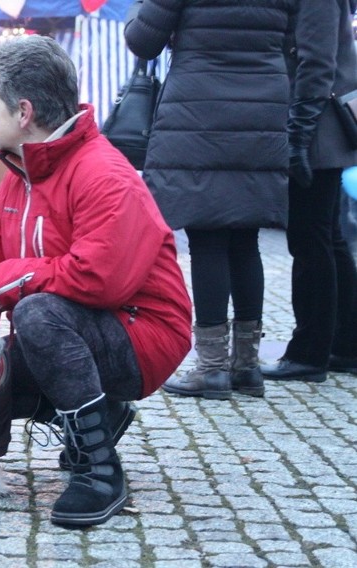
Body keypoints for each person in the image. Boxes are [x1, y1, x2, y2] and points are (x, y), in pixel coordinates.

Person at [0, 35, 191, 528]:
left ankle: (101, 472)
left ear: (23, 113)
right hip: (85, 328)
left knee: (36, 314)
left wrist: (18, 277)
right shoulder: (18, 177)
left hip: (145, 334)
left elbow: (98, 280)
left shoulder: (104, 173)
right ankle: (101, 415)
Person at [124, 0, 298, 400]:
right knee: (245, 238)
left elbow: (142, 40)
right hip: (262, 108)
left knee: (207, 239)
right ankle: (247, 367)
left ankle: (212, 369)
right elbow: (293, 38)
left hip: (199, 109)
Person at [260, 0, 357, 381]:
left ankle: (310, 351)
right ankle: (345, 344)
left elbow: (317, 63)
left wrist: (298, 134)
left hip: (316, 128)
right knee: (326, 237)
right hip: (318, 126)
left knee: (310, 239)